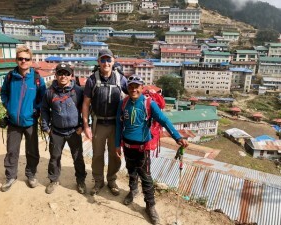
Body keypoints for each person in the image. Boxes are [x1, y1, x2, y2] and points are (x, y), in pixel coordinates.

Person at [115, 75, 189, 225]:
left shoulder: (149, 103)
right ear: (127, 88)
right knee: (130, 170)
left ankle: (150, 206)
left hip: (142, 148)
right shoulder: (123, 103)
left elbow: (164, 120)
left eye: (137, 86)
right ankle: (133, 190)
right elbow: (118, 125)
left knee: (146, 177)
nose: (134, 89)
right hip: (127, 145)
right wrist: (117, 144)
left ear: (142, 88)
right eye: (131, 86)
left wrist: (177, 137)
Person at [0, 46, 46, 192]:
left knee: (32, 151)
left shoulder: (37, 79)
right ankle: (10, 176)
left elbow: (43, 99)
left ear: (31, 61)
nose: (23, 61)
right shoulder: (10, 76)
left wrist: (36, 110)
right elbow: (4, 93)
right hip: (14, 122)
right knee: (12, 151)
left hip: (31, 122)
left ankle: (31, 175)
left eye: (26, 59)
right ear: (16, 60)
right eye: (21, 59)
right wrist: (9, 107)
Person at [82, 49, 128, 196]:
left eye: (109, 60)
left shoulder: (121, 79)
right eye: (103, 60)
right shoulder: (92, 80)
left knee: (115, 154)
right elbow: (85, 104)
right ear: (98, 62)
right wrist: (86, 126)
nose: (106, 63)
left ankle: (112, 180)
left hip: (116, 124)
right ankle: (98, 181)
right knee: (97, 154)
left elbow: (131, 97)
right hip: (99, 123)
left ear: (113, 61)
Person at [41, 63, 87, 194]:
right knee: (55, 157)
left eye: (66, 73)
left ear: (71, 76)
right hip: (56, 131)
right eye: (60, 73)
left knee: (78, 158)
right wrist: (46, 127)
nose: (63, 76)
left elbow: (85, 109)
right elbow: (44, 109)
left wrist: (82, 126)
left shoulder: (78, 91)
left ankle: (80, 180)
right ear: (56, 75)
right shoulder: (49, 92)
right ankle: (53, 180)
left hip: (74, 131)